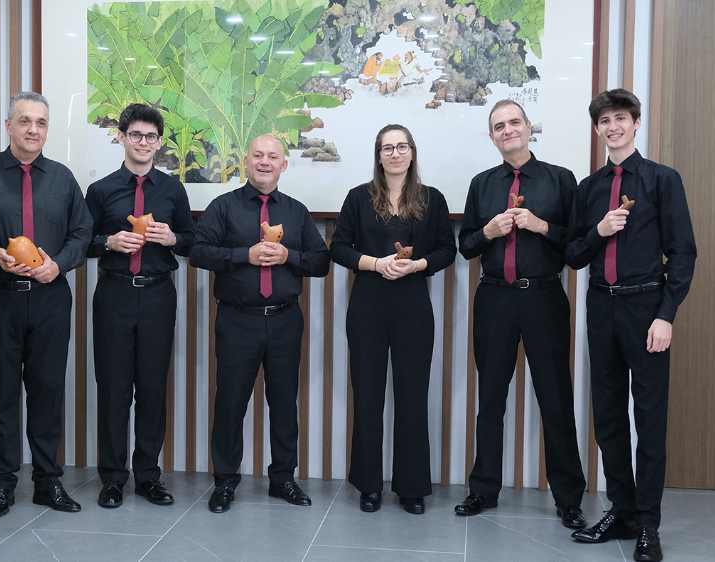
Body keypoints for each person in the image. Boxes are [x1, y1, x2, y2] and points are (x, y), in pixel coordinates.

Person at [567, 89, 695, 562]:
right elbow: (573, 254)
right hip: (601, 307)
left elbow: (683, 253)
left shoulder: (662, 179)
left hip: (646, 309)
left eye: (621, 118)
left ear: (636, 123)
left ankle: (648, 524)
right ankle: (621, 512)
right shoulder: (589, 188)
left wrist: (666, 315)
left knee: (649, 418)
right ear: (597, 129)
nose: (613, 127)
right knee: (607, 415)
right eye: (605, 121)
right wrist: (598, 232)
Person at [0, 91, 93, 518]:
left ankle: (48, 482)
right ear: (8, 125)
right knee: (2, 393)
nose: (34, 129)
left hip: (50, 299)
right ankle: (2, 484)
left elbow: (82, 233)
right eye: (25, 121)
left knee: (48, 391)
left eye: (41, 122)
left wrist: (59, 265)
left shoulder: (63, 178)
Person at [455, 100, 588, 528]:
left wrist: (541, 226)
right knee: (490, 397)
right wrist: (487, 232)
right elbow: (466, 246)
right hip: (494, 298)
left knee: (555, 397)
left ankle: (568, 498)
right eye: (499, 126)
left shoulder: (560, 179)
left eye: (514, 122)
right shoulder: (482, 184)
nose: (508, 130)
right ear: (492, 136)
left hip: (543, 297)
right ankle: (482, 489)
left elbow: (577, 246)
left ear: (529, 127)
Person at [190, 135, 330, 513]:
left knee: (284, 403)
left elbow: (321, 262)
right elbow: (199, 253)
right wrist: (244, 255)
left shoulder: (297, 212)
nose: (264, 162)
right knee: (230, 403)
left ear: (284, 165)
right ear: (246, 162)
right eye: (258, 155)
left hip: (285, 320)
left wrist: (288, 256)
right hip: (238, 320)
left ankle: (283, 479)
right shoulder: (223, 207)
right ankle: (225, 481)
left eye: (272, 156)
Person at [329, 124, 456, 514]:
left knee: (413, 396)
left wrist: (417, 265)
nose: (395, 153)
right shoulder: (358, 197)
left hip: (413, 303)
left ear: (412, 152)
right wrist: (375, 263)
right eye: (388, 148)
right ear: (379, 155)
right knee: (367, 396)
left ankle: (412, 486)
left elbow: (447, 250)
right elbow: (338, 248)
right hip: (368, 302)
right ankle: (368, 485)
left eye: (402, 146)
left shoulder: (432, 199)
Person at [85, 103, 194, 508]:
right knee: (113, 389)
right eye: (135, 135)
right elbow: (82, 243)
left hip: (158, 295)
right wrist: (108, 242)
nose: (143, 142)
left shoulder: (173, 190)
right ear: (122, 138)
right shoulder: (100, 190)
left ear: (160, 142)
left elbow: (192, 240)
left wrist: (173, 240)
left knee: (152, 388)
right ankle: (113, 477)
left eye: (150, 136)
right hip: (113, 294)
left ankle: (148, 475)